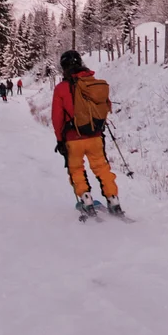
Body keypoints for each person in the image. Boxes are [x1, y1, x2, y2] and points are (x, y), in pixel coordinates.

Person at [51, 50, 121, 216]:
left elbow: (57, 117)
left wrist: (60, 140)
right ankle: (113, 199)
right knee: (102, 168)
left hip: (73, 138)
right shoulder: (93, 84)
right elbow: (106, 106)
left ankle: (86, 199)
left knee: (76, 169)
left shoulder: (61, 88)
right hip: (95, 136)